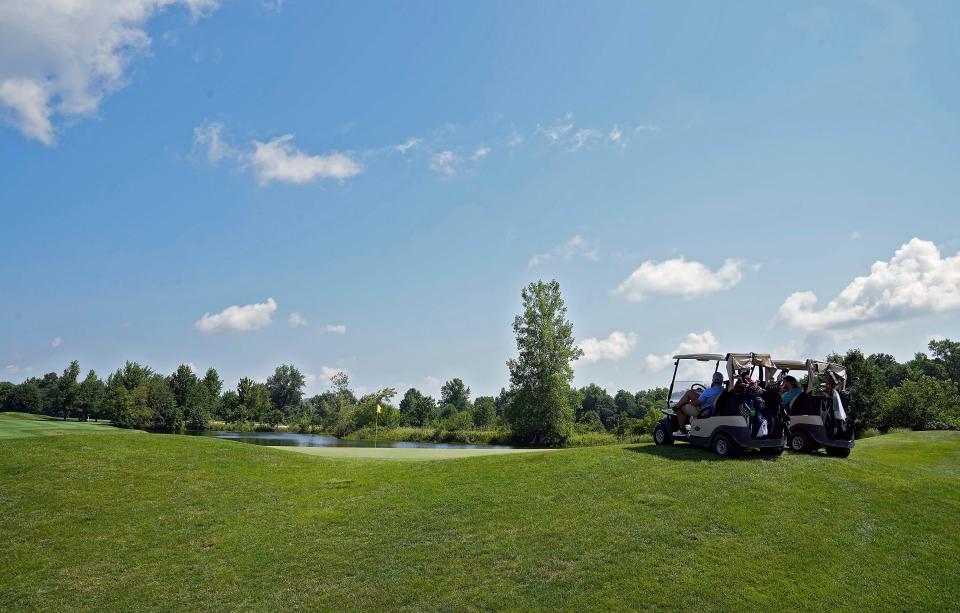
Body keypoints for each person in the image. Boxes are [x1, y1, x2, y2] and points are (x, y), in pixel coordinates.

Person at [672, 371, 724, 436]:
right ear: (722, 380)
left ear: (713, 380)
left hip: (704, 410)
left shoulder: (708, 391)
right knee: (690, 392)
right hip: (712, 407)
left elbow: (696, 403)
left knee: (680, 408)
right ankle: (676, 406)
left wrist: (690, 403)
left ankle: (682, 430)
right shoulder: (723, 390)